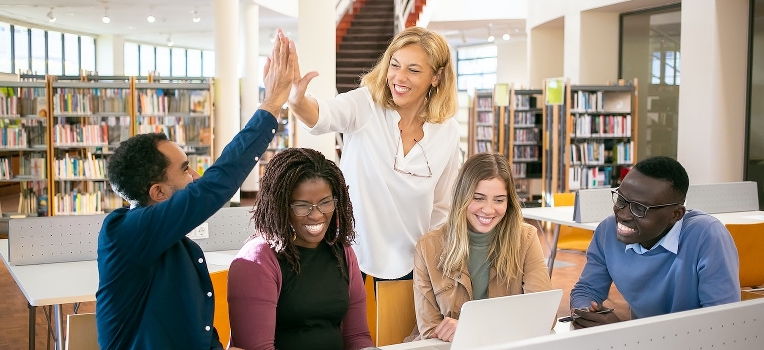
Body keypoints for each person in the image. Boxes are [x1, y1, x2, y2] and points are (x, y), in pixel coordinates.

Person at [95, 30, 294, 349]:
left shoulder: (175, 243)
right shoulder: (124, 233)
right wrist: (271, 104)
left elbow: (198, 331)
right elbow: (216, 184)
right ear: (158, 192)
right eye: (186, 169)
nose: (196, 175)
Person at [281, 26, 461, 280]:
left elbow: (443, 206)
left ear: (437, 77)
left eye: (413, 70)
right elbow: (323, 115)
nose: (399, 77)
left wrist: (431, 261)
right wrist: (297, 100)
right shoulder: (366, 105)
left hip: (413, 265)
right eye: (395, 65)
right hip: (350, 257)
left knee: (398, 322)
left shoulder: (447, 131)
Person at [227, 148, 374, 350]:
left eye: (325, 203)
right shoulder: (257, 261)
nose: (316, 215)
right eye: (302, 206)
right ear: (281, 206)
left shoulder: (342, 252)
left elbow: (357, 336)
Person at [570, 156, 740, 328]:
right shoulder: (608, 230)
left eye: (639, 208)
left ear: (675, 215)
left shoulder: (707, 236)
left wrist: (622, 332)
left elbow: (721, 324)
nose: (623, 215)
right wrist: (586, 311)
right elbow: (587, 290)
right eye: (621, 200)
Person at [412, 152, 553, 341]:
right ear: (462, 197)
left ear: (509, 202)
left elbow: (544, 315)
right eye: (478, 198)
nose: (488, 209)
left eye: (499, 200)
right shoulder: (427, 247)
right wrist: (499, 327)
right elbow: (430, 331)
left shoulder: (526, 239)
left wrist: (472, 329)